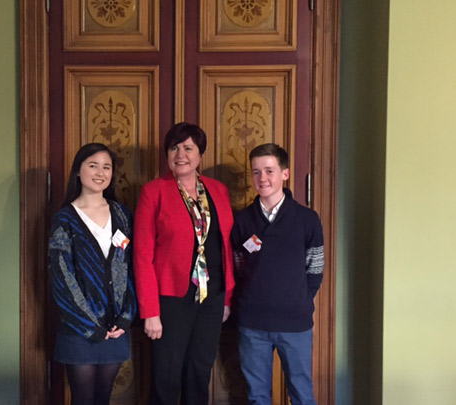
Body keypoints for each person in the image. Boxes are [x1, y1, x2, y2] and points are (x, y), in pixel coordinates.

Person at [133, 122, 235, 404]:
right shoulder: (154, 191)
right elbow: (141, 255)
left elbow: (224, 246)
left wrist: (226, 297)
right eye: (174, 148)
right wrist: (150, 311)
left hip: (211, 298)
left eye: (188, 148)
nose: (181, 154)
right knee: (166, 376)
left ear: (200, 154)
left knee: (199, 373)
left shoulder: (218, 190)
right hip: (170, 299)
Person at [231, 143, 324, 405]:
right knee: (257, 396)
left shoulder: (307, 220)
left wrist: (300, 299)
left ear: (285, 173)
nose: (263, 179)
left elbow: (315, 267)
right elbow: (239, 264)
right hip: (253, 323)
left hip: (295, 323)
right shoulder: (243, 220)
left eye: (269, 171)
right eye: (256, 172)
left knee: (302, 393)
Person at [48, 143, 136, 405]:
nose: (100, 172)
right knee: (83, 400)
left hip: (116, 328)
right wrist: (91, 326)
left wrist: (125, 318)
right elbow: (62, 279)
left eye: (106, 167)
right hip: (79, 330)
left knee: (103, 399)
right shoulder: (64, 219)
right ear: (78, 171)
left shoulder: (121, 214)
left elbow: (130, 268)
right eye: (93, 165)